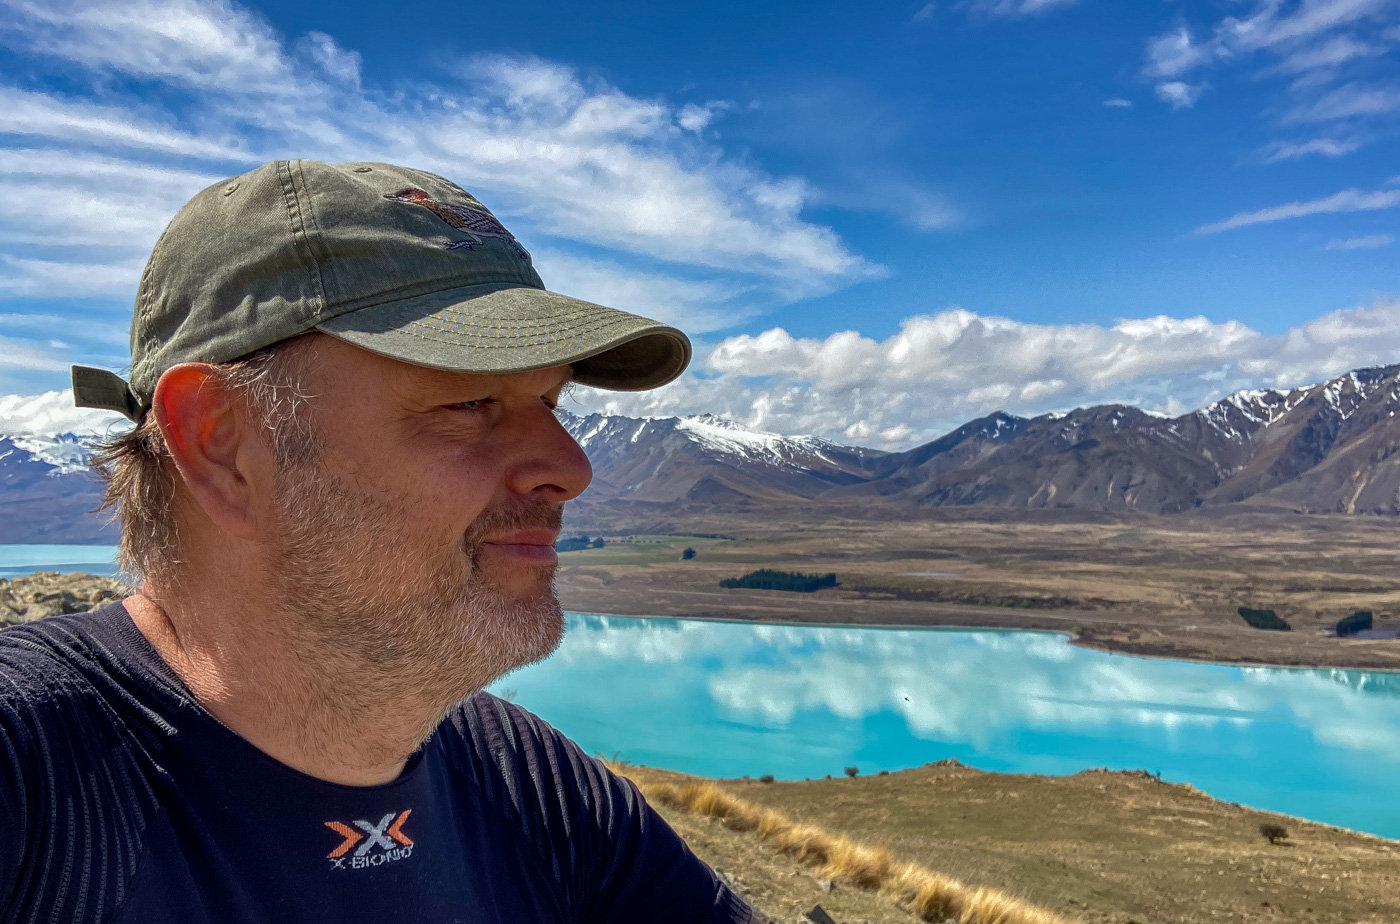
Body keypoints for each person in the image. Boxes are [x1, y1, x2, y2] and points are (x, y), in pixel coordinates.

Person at [0, 160, 756, 923]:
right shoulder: (28, 776)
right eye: (469, 401)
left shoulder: (538, 790)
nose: (572, 467)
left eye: (552, 400)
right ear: (221, 445)